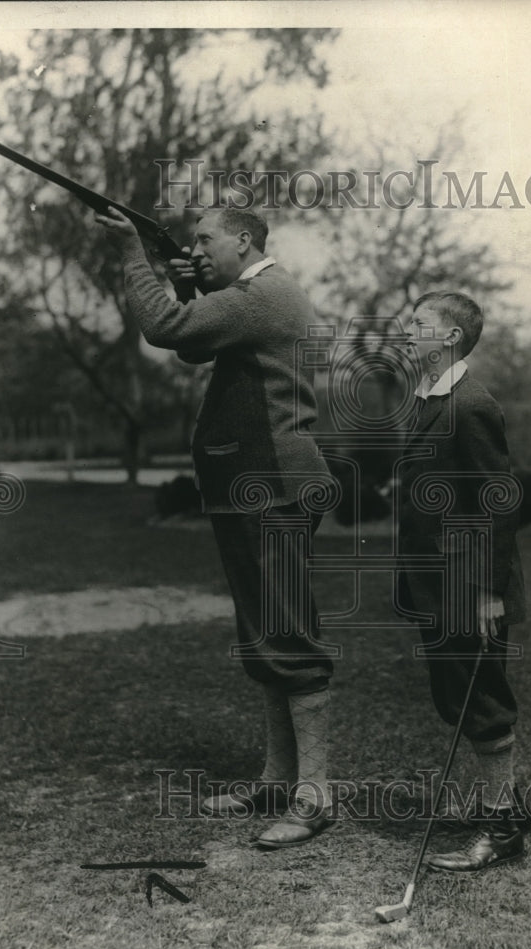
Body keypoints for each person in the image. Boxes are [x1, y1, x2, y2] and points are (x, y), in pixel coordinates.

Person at [95, 204, 334, 849]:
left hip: (272, 485)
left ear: (245, 240)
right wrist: (183, 281)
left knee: (286, 630)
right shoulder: (248, 297)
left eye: (206, 240)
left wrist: (132, 255)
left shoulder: (265, 294)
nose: (197, 250)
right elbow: (194, 346)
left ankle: (315, 795)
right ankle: (279, 779)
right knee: (263, 632)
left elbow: (166, 329)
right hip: (252, 485)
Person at [397, 291, 528, 872]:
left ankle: (501, 831)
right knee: (456, 699)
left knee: (480, 701)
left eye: (419, 324)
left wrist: (487, 591)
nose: (407, 331)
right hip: (437, 582)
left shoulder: (470, 404)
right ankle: (509, 805)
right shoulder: (427, 398)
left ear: (450, 338)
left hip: (469, 584)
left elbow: (497, 503)